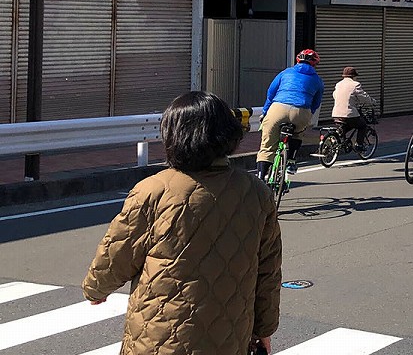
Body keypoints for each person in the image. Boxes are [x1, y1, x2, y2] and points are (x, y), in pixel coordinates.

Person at [83, 92, 282, 355]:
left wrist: (95, 289)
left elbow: (117, 254)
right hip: (229, 337)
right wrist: (264, 329)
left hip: (158, 336)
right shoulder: (257, 192)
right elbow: (268, 271)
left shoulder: (153, 191)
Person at [257, 49, 325, 181]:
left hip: (278, 108)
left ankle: (260, 178)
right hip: (301, 111)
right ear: (314, 64)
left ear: (298, 61)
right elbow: (316, 103)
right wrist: (307, 114)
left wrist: (265, 112)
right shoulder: (317, 80)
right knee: (298, 133)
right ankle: (292, 161)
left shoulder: (286, 73)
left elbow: (271, 94)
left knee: (267, 146)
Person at [332, 66, 376, 148]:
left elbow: (335, 95)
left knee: (345, 127)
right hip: (349, 114)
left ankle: (335, 138)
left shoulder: (338, 84)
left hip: (336, 114)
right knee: (362, 126)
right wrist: (372, 102)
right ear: (353, 76)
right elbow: (364, 97)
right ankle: (359, 145)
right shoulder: (355, 85)